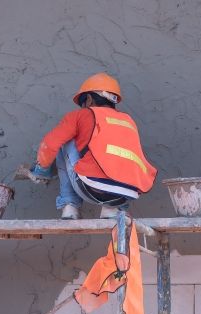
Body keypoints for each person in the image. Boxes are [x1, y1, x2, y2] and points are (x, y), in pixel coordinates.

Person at [23, 72, 157, 219]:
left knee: (65, 141)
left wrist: (41, 170)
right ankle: (112, 210)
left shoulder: (81, 115)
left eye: (82, 102)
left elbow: (49, 144)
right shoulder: (128, 121)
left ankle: (70, 207)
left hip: (92, 189)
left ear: (88, 99)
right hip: (127, 194)